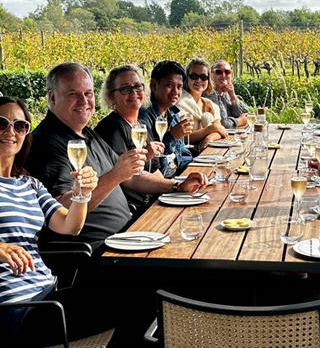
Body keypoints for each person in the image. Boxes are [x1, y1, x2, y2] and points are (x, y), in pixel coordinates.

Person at [27, 62, 206, 251]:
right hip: (98, 252)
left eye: (88, 94)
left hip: (127, 234)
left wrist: (177, 186)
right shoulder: (48, 143)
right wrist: (116, 175)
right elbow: (63, 210)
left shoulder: (86, 133)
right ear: (52, 98)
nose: (84, 101)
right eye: (73, 94)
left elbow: (130, 178)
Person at [0, 96, 97, 342]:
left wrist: (81, 194)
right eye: (1, 123)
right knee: (138, 293)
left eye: (20, 126)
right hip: (17, 308)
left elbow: (70, 226)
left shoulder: (30, 185)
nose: (11, 132)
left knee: (134, 287)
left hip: (48, 293)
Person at [95, 64, 171, 213]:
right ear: (112, 96)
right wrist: (175, 186)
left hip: (151, 203)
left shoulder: (140, 125)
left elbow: (155, 171)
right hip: (133, 211)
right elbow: (127, 179)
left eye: (138, 87)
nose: (134, 92)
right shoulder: (112, 128)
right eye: (125, 89)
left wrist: (172, 187)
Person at [139, 60, 194, 176]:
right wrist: (172, 136)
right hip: (159, 185)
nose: (175, 92)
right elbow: (151, 163)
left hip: (177, 178)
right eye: (169, 85)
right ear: (153, 85)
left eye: (179, 87)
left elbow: (183, 154)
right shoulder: (143, 117)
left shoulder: (173, 114)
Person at [177, 58, 227, 151]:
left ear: (208, 80)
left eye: (203, 77)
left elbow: (221, 131)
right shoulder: (179, 103)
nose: (199, 80)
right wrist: (210, 129)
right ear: (186, 78)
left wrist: (209, 138)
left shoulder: (211, 105)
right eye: (194, 76)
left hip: (209, 153)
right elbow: (182, 138)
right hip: (187, 156)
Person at [203, 60, 248, 129]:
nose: (223, 75)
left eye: (227, 72)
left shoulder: (226, 93)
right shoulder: (209, 94)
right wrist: (239, 121)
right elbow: (222, 124)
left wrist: (233, 96)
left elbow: (245, 115)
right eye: (219, 72)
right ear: (211, 74)